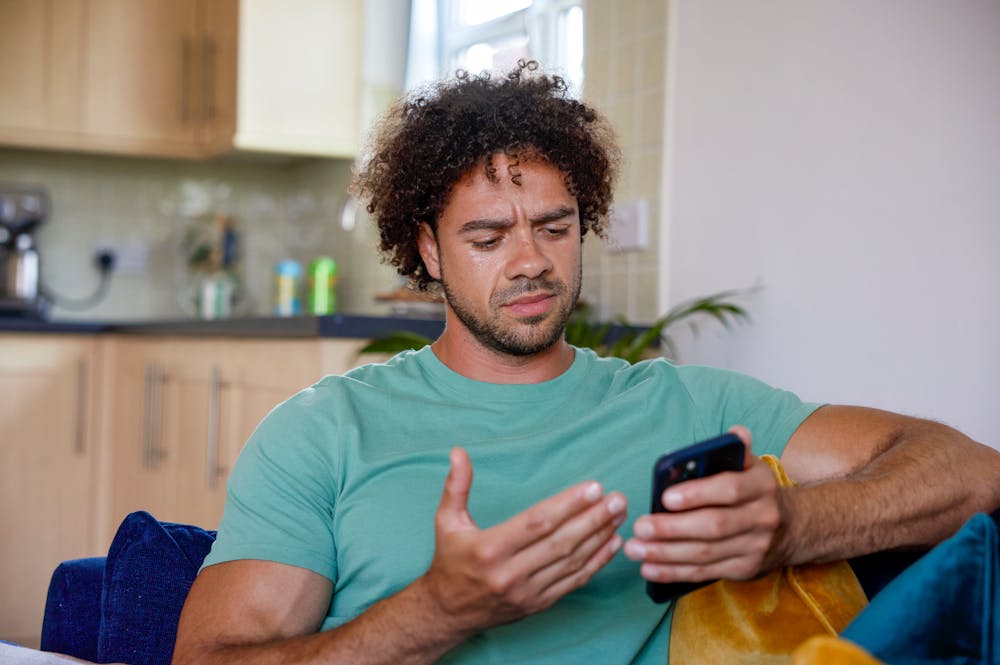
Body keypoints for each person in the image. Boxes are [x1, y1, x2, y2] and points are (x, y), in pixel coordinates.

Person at [171, 61, 1000, 664]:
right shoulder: (323, 430)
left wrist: (792, 526)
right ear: (426, 247)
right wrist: (441, 608)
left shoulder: (688, 404)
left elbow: (970, 469)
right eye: (488, 237)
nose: (530, 261)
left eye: (555, 226)